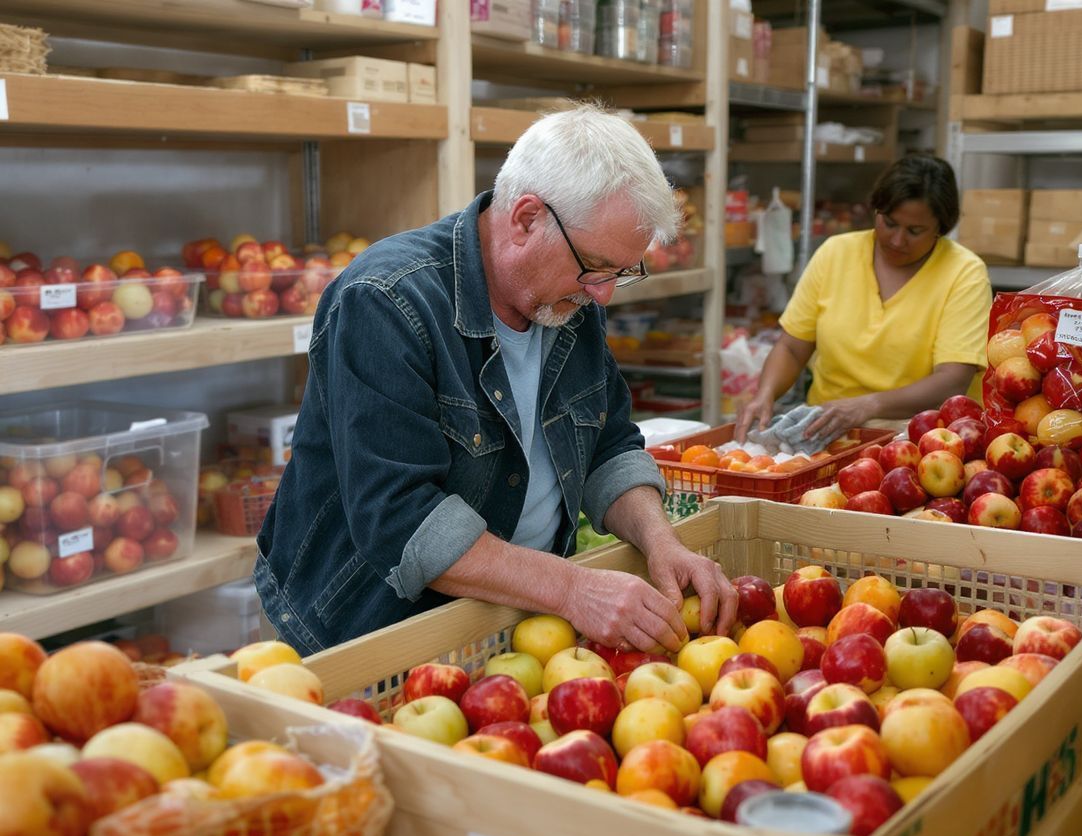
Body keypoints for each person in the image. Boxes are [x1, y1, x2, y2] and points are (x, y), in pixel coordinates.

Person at [254, 105, 736, 657]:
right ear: (527, 218)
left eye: (620, 273)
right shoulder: (387, 302)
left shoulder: (569, 299)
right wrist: (574, 588)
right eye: (596, 266)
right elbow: (402, 520)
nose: (603, 294)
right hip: (369, 633)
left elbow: (608, 445)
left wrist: (660, 541)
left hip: (510, 619)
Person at [735, 154, 991, 444]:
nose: (897, 240)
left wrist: (868, 405)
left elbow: (952, 379)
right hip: (827, 433)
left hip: (923, 441)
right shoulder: (836, 253)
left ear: (941, 228)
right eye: (889, 223)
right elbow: (793, 347)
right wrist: (764, 395)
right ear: (876, 211)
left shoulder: (963, 272)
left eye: (914, 231)